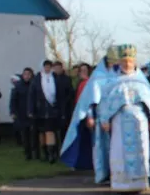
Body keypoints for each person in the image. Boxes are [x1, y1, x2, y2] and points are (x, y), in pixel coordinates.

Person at [96, 45, 150, 193]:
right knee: (119, 152)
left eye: (130, 61)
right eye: (124, 61)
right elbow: (105, 103)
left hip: (139, 121)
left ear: (134, 62)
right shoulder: (112, 82)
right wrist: (104, 120)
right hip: (119, 121)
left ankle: (139, 184)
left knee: (141, 151)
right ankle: (121, 184)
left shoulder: (142, 82)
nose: (127, 64)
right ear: (120, 62)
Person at [60, 46, 117, 179]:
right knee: (101, 146)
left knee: (116, 146)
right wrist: (89, 117)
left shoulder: (119, 76)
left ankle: (117, 172)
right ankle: (103, 173)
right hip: (100, 116)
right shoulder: (97, 78)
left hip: (116, 116)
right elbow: (89, 100)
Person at [28, 60, 69, 164]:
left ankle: (52, 154)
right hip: (39, 110)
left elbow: (60, 96)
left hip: (52, 110)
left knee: (50, 131)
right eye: (45, 66)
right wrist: (31, 110)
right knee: (42, 133)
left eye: (49, 67)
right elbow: (31, 96)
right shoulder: (36, 79)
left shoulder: (55, 78)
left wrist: (61, 110)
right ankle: (45, 153)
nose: (47, 69)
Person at [9, 67, 35, 159]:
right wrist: (13, 112)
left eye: (29, 74)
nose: (27, 76)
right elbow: (13, 100)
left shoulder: (35, 85)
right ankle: (27, 153)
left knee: (34, 133)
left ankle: (35, 151)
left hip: (33, 113)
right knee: (25, 133)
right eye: (25, 74)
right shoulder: (18, 86)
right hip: (22, 113)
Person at [52, 60, 75, 142]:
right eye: (55, 68)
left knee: (64, 129)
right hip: (54, 107)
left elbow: (70, 93)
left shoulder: (67, 79)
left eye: (59, 68)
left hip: (65, 108)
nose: (57, 70)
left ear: (62, 68)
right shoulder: (51, 79)